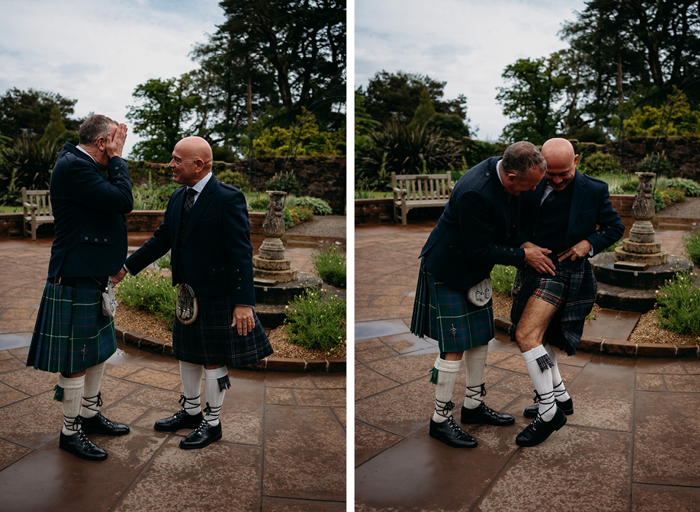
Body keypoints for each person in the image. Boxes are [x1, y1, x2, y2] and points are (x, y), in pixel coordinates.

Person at [114, 136, 273, 450]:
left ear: (199, 165)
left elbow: (241, 252)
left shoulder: (228, 198)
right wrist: (127, 268)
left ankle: (212, 423)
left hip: (218, 295)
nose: (170, 165)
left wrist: (244, 302)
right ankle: (190, 411)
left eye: (176, 159)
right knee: (187, 355)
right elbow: (162, 240)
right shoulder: (177, 197)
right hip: (187, 295)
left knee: (214, 361)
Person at [411, 141, 555, 448]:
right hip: (449, 268)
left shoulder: (504, 171)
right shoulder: (476, 191)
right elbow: (480, 249)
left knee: (479, 337)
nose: (531, 191)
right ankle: (439, 420)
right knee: (454, 347)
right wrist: (522, 255)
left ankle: (473, 406)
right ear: (513, 178)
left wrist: (525, 243)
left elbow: (510, 223)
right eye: (529, 186)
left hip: (472, 268)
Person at [26, 115, 133, 461]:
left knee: (96, 353)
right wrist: (118, 160)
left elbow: (103, 213)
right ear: (102, 142)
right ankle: (70, 432)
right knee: (76, 360)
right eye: (114, 143)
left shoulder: (80, 164)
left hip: (92, 274)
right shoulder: (75, 166)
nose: (118, 150)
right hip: (75, 278)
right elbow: (122, 200)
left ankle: (88, 413)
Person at [510, 138, 624, 447]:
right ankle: (561, 397)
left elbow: (614, 227)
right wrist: (524, 244)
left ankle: (549, 412)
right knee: (540, 339)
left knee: (526, 336)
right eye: (551, 174)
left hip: (567, 273)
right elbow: (511, 223)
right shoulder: (529, 181)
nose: (557, 180)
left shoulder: (594, 189)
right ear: (541, 167)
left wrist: (589, 244)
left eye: (564, 173)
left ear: (576, 160)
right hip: (533, 268)